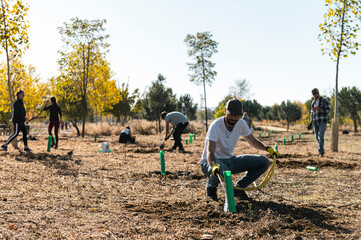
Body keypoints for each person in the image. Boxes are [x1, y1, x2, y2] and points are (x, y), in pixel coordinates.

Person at [200, 99, 279, 201]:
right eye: (231, 115)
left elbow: (253, 142)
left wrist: (267, 149)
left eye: (237, 116)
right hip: (210, 163)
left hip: (229, 160)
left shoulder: (241, 124)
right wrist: (213, 165)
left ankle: (239, 189)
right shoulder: (216, 126)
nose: (233, 118)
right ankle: (211, 187)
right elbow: (210, 151)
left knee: (263, 162)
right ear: (225, 111)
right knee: (222, 168)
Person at [310, 88, 330, 157]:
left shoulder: (324, 100)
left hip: (322, 121)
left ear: (318, 93)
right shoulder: (313, 102)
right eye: (314, 94)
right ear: (313, 95)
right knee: (317, 137)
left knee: (320, 136)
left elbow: (328, 110)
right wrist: (310, 122)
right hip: (315, 121)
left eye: (317, 93)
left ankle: (321, 151)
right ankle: (321, 149)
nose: (316, 95)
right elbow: (312, 113)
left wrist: (319, 109)